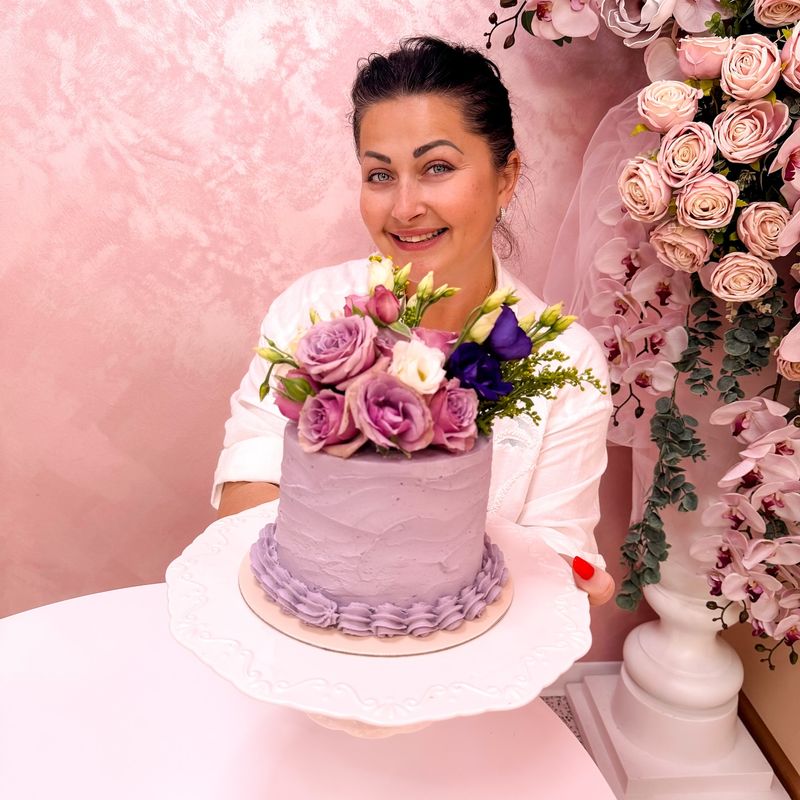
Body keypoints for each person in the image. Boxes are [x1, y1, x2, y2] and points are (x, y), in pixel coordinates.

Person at [213, 36, 615, 607]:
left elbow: (554, 557)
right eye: (380, 175)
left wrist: (564, 582)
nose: (404, 208)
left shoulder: (567, 360)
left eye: (437, 168)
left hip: (470, 652)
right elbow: (245, 487)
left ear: (506, 177)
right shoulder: (314, 311)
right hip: (299, 631)